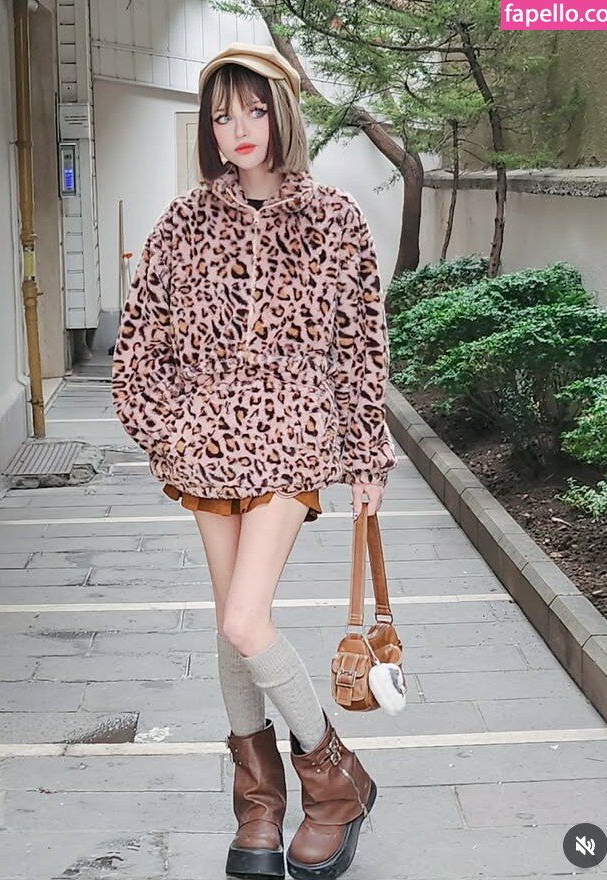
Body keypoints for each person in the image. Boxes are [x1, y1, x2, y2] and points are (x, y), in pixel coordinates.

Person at [112, 41, 398, 880]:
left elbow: (361, 347)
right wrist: (172, 430)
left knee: (246, 620)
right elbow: (139, 346)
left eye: (254, 109)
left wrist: (366, 454)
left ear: (283, 113)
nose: (237, 128)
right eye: (221, 115)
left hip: (292, 441)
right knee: (230, 625)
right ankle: (259, 808)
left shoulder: (335, 218)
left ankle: (337, 782)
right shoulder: (182, 223)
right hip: (206, 452)